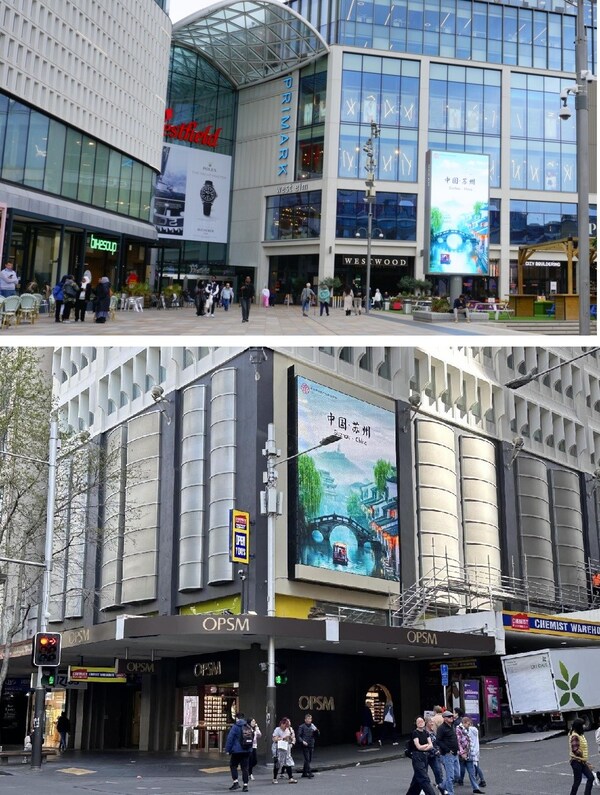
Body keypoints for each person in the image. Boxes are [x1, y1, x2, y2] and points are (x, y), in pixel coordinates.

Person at [405, 716, 439, 795]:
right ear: (416, 724)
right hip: (417, 756)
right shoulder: (415, 733)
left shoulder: (426, 732)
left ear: (424, 722)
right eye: (418, 722)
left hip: (425, 757)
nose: (420, 723)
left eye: (422, 721)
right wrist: (426, 746)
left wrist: (424, 747)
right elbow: (418, 747)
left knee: (417, 779)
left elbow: (431, 745)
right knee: (424, 778)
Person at [225, 711, 252, 792]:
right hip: (246, 750)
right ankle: (245, 785)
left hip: (237, 751)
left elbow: (230, 739)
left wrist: (228, 750)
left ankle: (236, 782)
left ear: (236, 718)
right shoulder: (248, 726)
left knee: (233, 765)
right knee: (245, 768)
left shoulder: (235, 726)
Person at [456, 716, 483, 793]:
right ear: (464, 723)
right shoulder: (458, 730)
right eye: (468, 724)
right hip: (463, 753)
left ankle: (475, 788)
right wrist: (462, 753)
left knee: (472, 771)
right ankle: (445, 785)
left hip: (469, 752)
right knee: (461, 769)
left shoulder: (468, 729)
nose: (469, 725)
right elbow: (458, 742)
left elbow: (469, 741)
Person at [568, 718, 594, 795]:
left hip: (581, 761)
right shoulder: (575, 736)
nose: (584, 727)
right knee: (577, 781)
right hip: (576, 762)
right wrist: (582, 756)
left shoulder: (580, 734)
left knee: (590, 777)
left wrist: (585, 761)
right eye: (582, 725)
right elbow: (575, 750)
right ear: (579, 727)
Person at [436, 710, 459, 795]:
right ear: (445, 718)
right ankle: (450, 793)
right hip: (448, 754)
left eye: (452, 716)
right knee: (450, 776)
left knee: (457, 775)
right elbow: (438, 741)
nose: (451, 718)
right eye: (449, 717)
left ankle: (442, 786)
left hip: (456, 753)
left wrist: (458, 749)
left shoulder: (452, 726)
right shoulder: (441, 728)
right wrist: (447, 749)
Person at [424, 717, 448, 795]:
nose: (432, 723)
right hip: (426, 756)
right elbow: (426, 745)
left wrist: (439, 750)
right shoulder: (423, 733)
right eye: (431, 722)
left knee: (438, 772)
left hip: (434, 756)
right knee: (424, 773)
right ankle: (423, 789)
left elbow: (436, 742)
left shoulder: (433, 732)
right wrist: (435, 750)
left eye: (432, 722)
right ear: (426, 723)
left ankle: (442, 789)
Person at [272, 716, 297, 783]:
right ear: (282, 724)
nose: (286, 727)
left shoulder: (289, 730)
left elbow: (292, 738)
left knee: (288, 763)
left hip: (286, 748)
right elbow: (274, 739)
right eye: (285, 725)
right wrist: (283, 738)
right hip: (278, 749)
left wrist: (290, 741)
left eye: (287, 725)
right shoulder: (277, 729)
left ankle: (290, 778)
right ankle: (274, 778)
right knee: (277, 763)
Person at [297, 713, 319, 778]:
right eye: (308, 719)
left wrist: (316, 730)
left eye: (310, 719)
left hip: (311, 743)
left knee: (309, 759)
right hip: (305, 744)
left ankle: (304, 773)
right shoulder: (301, 727)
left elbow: (317, 735)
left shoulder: (313, 726)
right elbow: (298, 736)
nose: (309, 720)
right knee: (307, 758)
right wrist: (302, 741)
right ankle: (309, 772)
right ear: (305, 719)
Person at [248, 717, 261, 781]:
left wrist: (257, 728)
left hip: (254, 746)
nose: (254, 723)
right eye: (252, 721)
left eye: (254, 721)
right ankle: (250, 773)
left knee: (255, 761)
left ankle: (248, 770)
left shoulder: (255, 729)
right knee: (250, 760)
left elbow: (259, 735)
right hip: (249, 746)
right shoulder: (247, 728)